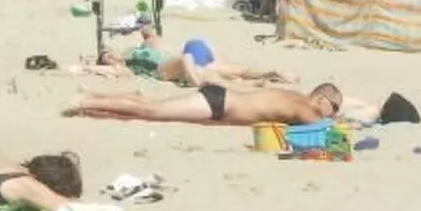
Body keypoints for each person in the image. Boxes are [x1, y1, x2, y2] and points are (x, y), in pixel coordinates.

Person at [70, 25, 297, 88]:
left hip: (190, 56)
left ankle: (272, 73)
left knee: (232, 69)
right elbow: (97, 70)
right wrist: (89, 65)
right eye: (107, 58)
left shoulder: (139, 48)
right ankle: (202, 84)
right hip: (169, 69)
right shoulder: (127, 67)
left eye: (110, 54)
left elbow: (148, 30)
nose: (111, 58)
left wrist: (135, 31)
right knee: (194, 62)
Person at [64, 82, 342, 126]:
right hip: (218, 104)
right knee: (151, 111)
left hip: (220, 100)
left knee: (150, 109)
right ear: (320, 98)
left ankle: (93, 104)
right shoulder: (303, 107)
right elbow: (322, 127)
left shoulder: (292, 96)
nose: (333, 112)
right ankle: (85, 100)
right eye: (334, 106)